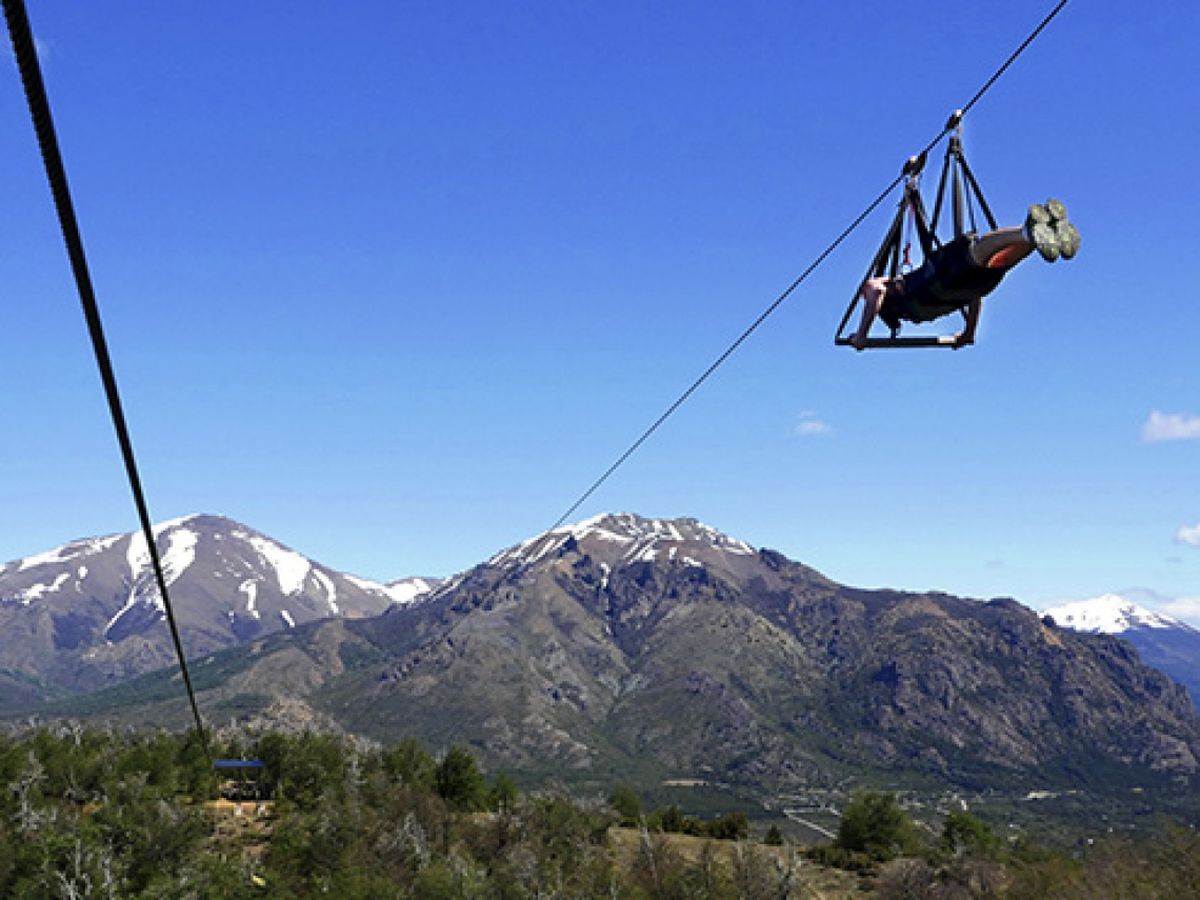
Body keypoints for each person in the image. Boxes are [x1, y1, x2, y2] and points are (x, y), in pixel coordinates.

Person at [849, 199, 1080, 349]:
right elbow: (877, 291)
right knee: (975, 249)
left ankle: (1040, 238)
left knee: (996, 264)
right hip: (942, 283)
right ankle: (1028, 234)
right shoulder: (886, 291)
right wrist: (861, 334)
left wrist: (968, 333)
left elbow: (974, 297)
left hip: (970, 290)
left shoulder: (900, 302)